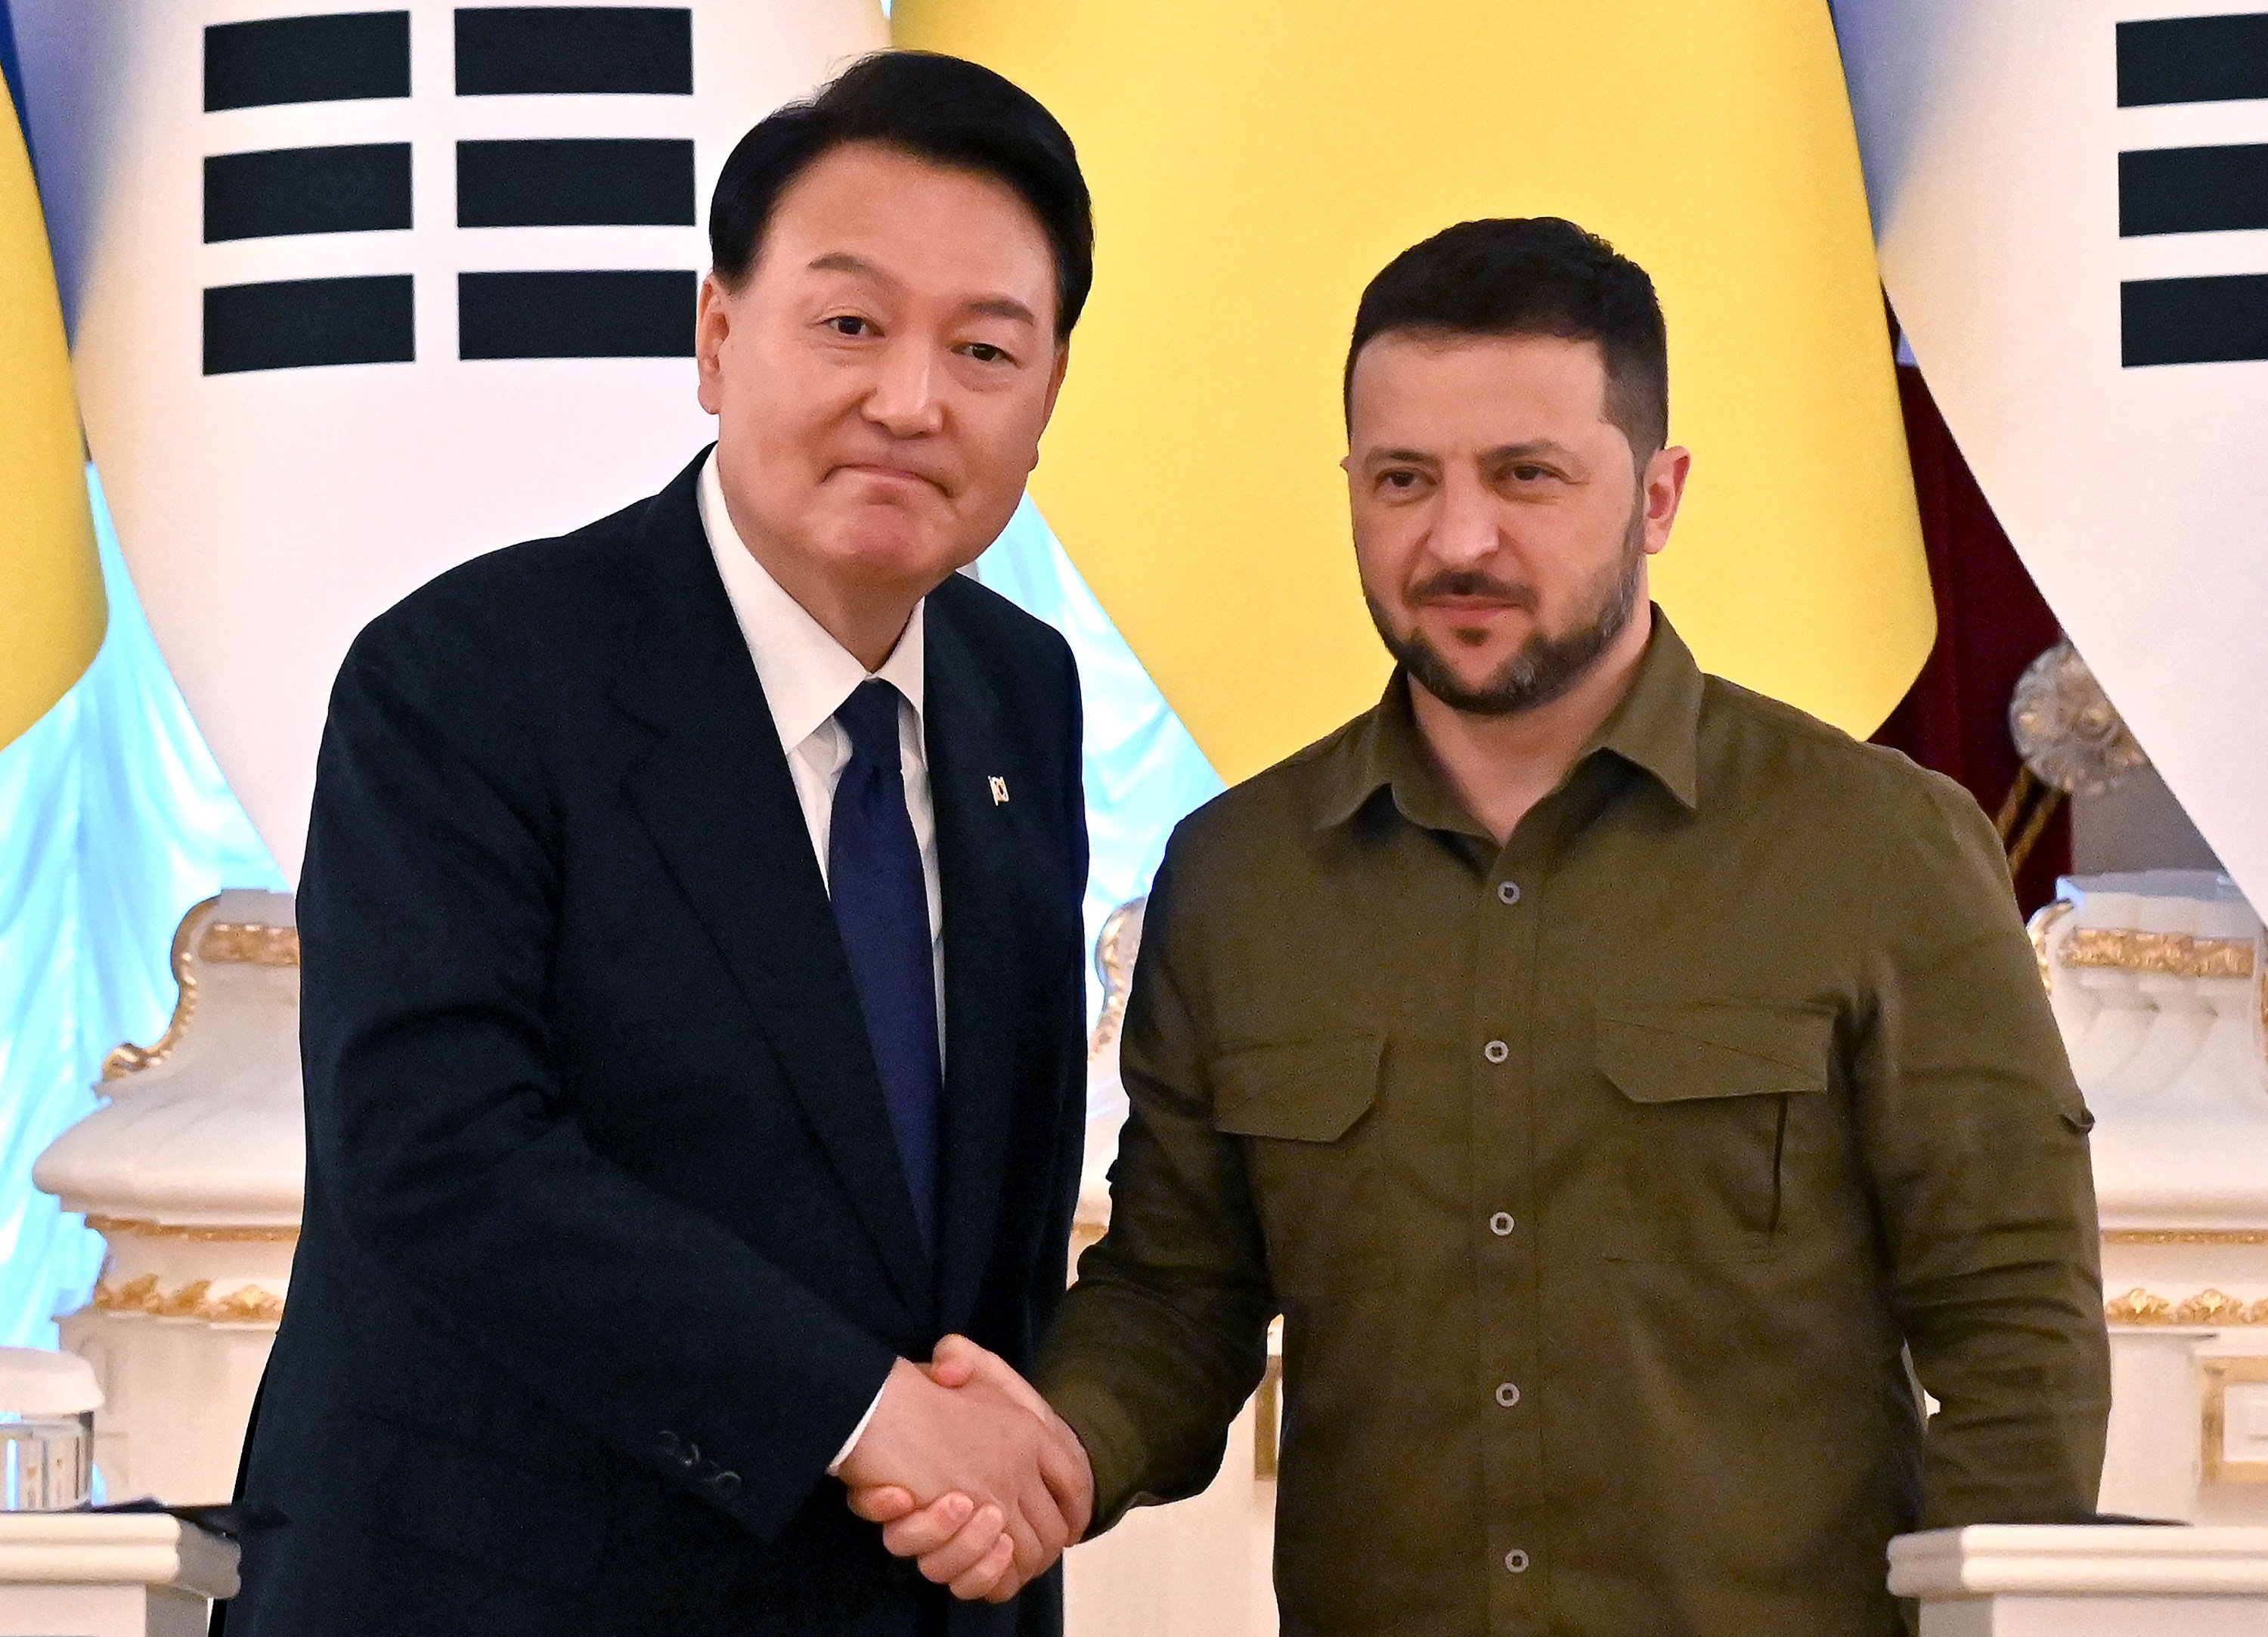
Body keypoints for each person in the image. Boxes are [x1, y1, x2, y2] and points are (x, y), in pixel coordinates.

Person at [860, 216, 2112, 1633]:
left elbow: (2017, 1330)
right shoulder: (1238, 878)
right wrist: (1050, 1451)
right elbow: (1179, 1292)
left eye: (1528, 477)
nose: (1459, 539)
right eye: (1404, 480)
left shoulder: (1882, 847)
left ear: (1656, 494)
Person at [221, 51, 1095, 1637]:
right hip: (505, 1593)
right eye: (849, 324)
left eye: (984, 349)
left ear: (1043, 404)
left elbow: (989, 1219)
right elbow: (440, 1152)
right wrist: (859, 1409)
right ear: (715, 337)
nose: (911, 399)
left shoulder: (1020, 695)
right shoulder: (470, 675)